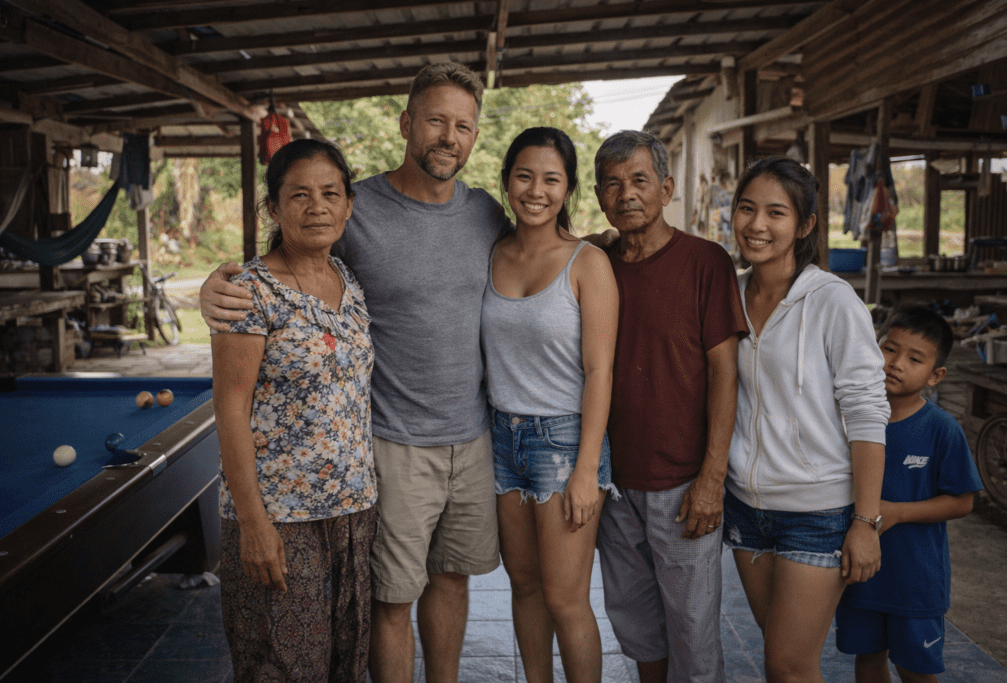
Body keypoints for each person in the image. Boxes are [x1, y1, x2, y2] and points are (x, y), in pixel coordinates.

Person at [202, 62, 507, 683]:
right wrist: (215, 284)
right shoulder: (355, 204)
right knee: (385, 603)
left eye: (464, 126)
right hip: (390, 445)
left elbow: (542, 250)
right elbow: (280, 258)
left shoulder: (485, 213)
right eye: (435, 121)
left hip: (458, 445)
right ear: (405, 124)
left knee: (446, 583)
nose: (449, 137)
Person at [211, 138, 376, 681]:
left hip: (351, 511)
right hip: (281, 516)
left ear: (349, 205)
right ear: (274, 208)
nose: (317, 206)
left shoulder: (348, 282)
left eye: (331, 193)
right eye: (299, 194)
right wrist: (253, 525)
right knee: (282, 665)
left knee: (343, 662)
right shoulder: (248, 292)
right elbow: (230, 408)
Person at [723, 155, 889, 682]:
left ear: (805, 225)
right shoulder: (729, 293)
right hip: (747, 509)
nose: (757, 225)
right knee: (780, 664)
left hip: (817, 513)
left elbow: (866, 412)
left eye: (776, 212)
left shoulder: (834, 302)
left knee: (791, 665)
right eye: (747, 209)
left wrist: (865, 522)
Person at [592, 130, 747, 683]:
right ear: (597, 194)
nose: (626, 194)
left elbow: (726, 374)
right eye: (611, 183)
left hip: (683, 483)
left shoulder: (705, 261)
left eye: (638, 180)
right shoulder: (596, 261)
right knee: (635, 621)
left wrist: (712, 476)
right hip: (612, 480)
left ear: (666, 187)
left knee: (692, 628)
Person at [483, 127, 619, 683]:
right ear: (506, 181)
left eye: (551, 180)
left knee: (566, 600)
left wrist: (587, 469)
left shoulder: (587, 263)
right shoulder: (492, 252)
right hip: (499, 435)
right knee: (524, 585)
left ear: (567, 190)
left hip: (564, 442)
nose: (535, 190)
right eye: (524, 176)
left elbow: (600, 371)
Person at [835, 306, 983, 683]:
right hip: (860, 574)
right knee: (867, 662)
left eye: (914, 359)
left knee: (915, 670)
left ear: (935, 375)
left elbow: (963, 501)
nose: (896, 364)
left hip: (915, 580)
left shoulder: (940, 429)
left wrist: (897, 512)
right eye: (889, 349)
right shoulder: (847, 418)